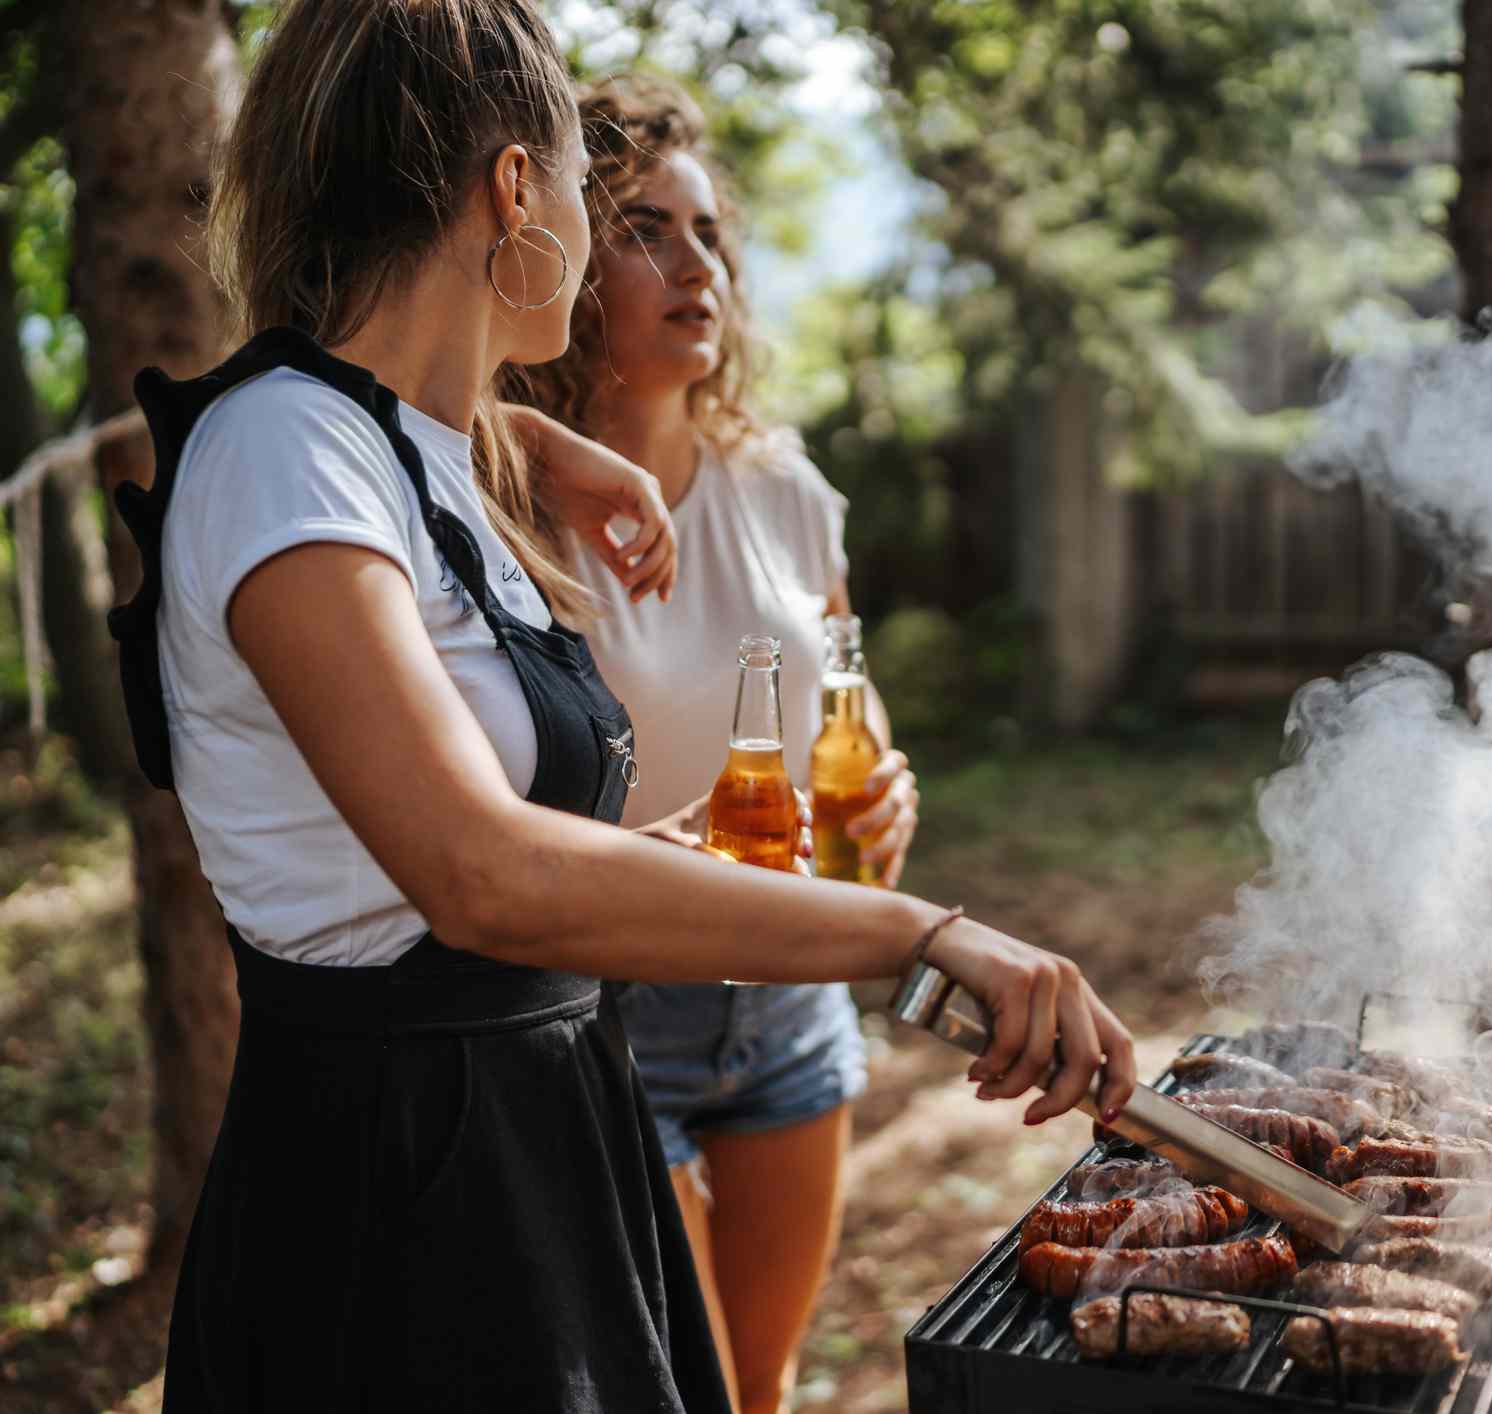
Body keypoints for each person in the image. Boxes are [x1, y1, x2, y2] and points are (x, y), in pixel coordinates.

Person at [105, 0, 1137, 1410]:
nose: (602, 242)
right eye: (597, 198)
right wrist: (923, 933)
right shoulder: (287, 452)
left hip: (541, 1134)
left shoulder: (410, 456)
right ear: (515, 192)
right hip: (398, 1191)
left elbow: (461, 855)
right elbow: (477, 874)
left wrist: (690, 855)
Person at [506, 77, 911, 1414]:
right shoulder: (504, 506)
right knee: (688, 1394)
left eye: (708, 233)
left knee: (767, 1388)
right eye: (644, 230)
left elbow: (846, 695)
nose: (698, 266)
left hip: (793, 988)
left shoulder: (784, 487)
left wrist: (886, 780)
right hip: (613, 1010)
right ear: (564, 258)